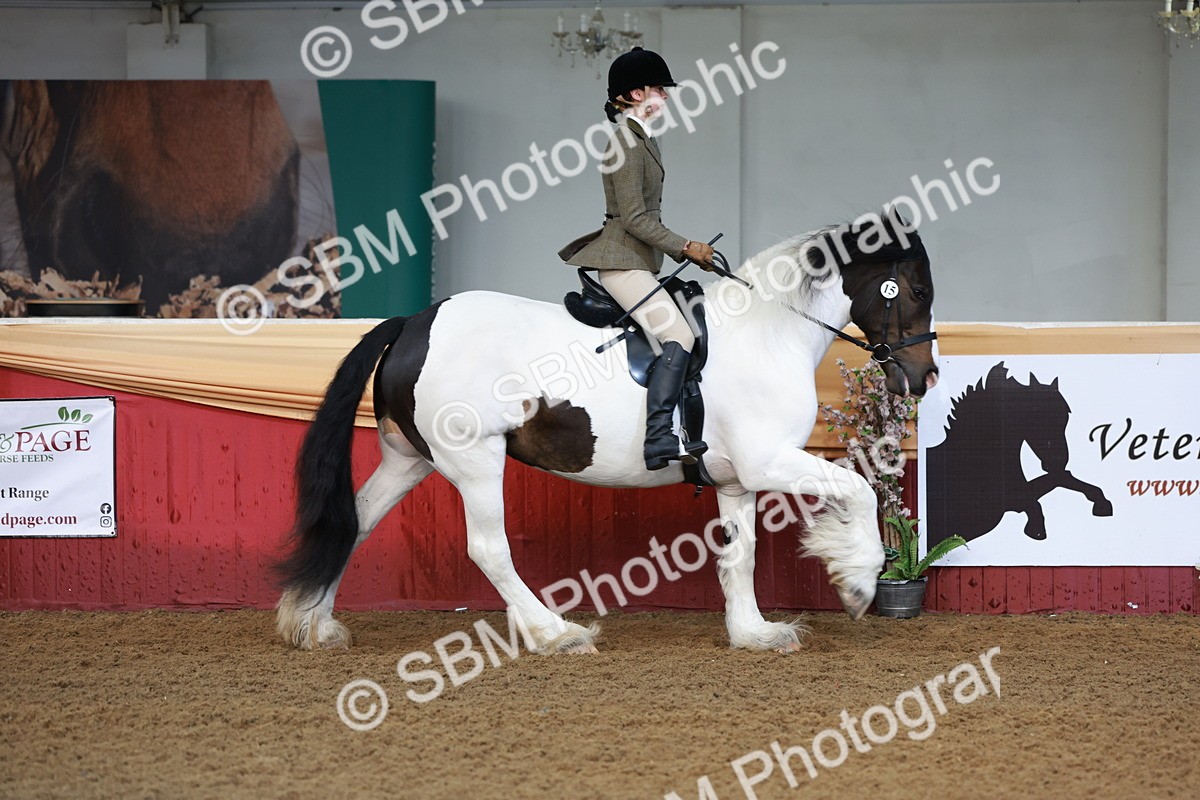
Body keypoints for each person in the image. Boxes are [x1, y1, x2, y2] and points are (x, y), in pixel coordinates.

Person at [558, 47, 715, 472]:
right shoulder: (625, 141)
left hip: (638, 260)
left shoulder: (644, 139)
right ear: (632, 94)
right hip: (622, 260)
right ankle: (658, 436)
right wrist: (686, 246)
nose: (665, 97)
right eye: (659, 90)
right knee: (679, 335)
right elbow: (635, 219)